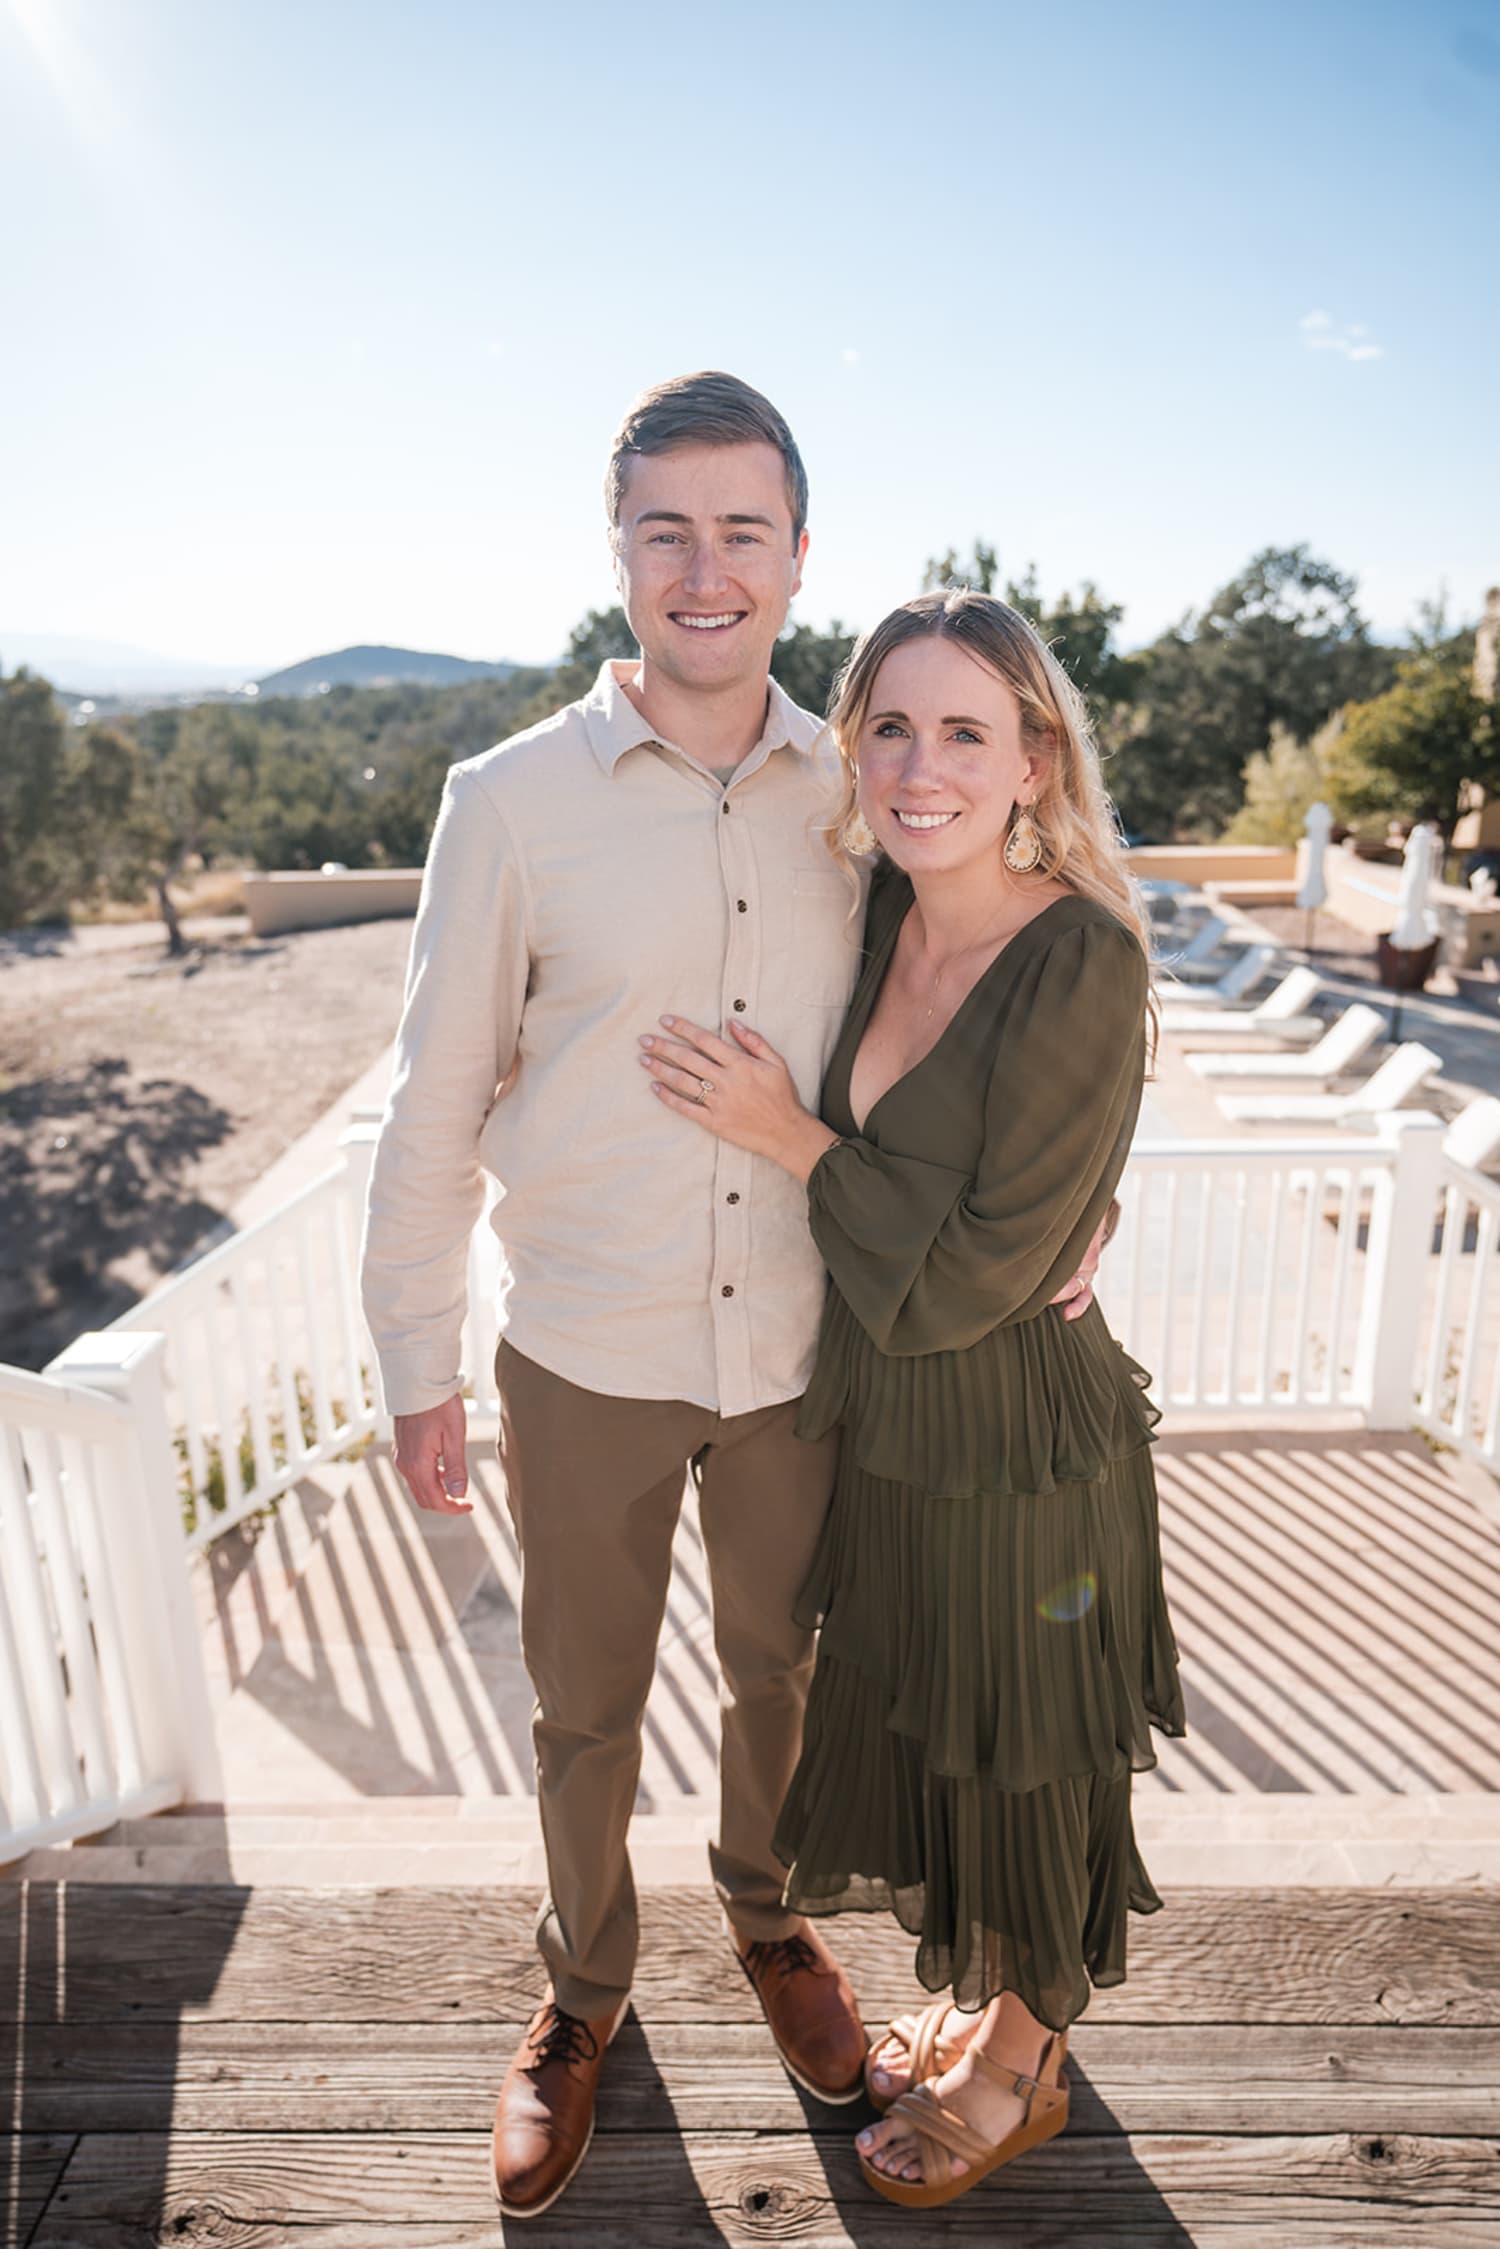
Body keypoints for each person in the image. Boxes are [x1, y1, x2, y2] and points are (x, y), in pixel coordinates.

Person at [361, 376, 1102, 2220]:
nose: (707, 569)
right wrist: (415, 1358)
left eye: (743, 530)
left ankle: (771, 1923)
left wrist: (1081, 1194)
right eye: (668, 530)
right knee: (583, 1702)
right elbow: (432, 1100)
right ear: (617, 549)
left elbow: (991, 983)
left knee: (789, 1672)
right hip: (586, 1348)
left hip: (801, 1348)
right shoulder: (506, 802)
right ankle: (581, 1992)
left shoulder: (865, 794)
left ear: (796, 554)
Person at [639, 588, 1184, 2211]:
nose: (919, 766)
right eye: (889, 726)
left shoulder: (1080, 953)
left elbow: (967, 1280)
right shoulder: (882, 908)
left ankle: (1022, 2062)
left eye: (964, 731)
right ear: (853, 746)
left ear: (1035, 761)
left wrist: (790, 1137)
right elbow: (974, 1186)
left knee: (1030, 1757)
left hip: (1018, 1445)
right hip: (892, 1430)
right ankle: (990, 2008)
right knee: (949, 1744)